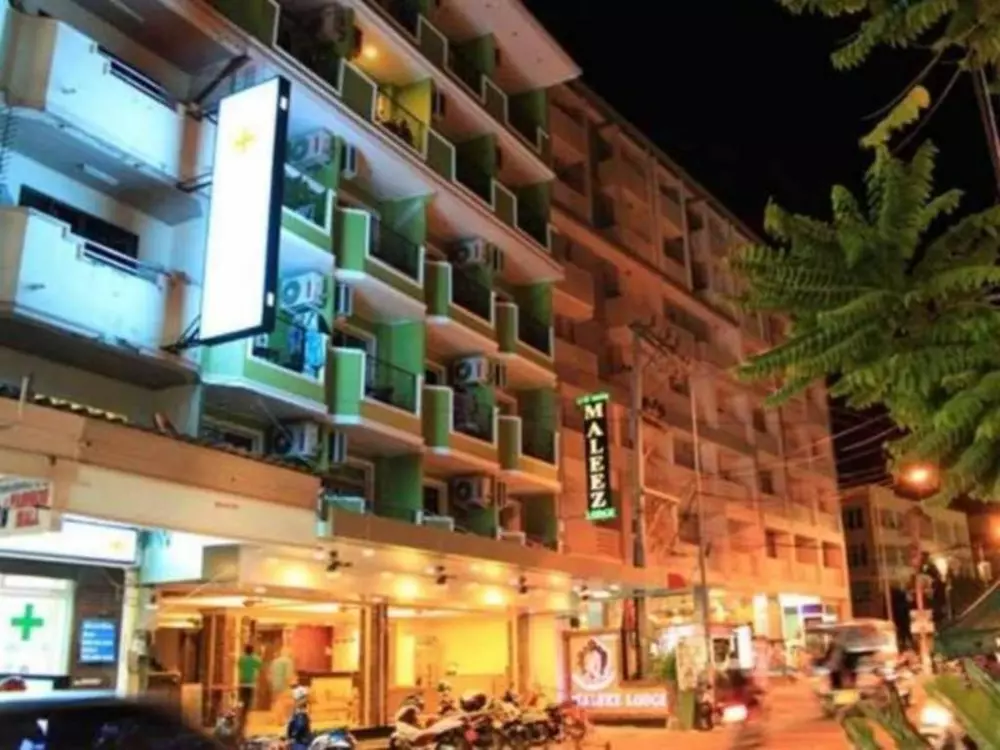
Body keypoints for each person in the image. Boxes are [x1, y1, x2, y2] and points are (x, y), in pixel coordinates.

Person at [237, 643, 263, 732]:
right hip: (251, 683)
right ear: (252, 651)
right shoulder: (255, 658)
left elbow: (239, 665)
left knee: (242, 698)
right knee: (248, 700)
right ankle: (245, 714)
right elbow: (259, 666)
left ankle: (241, 712)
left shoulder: (242, 658)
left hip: (242, 682)